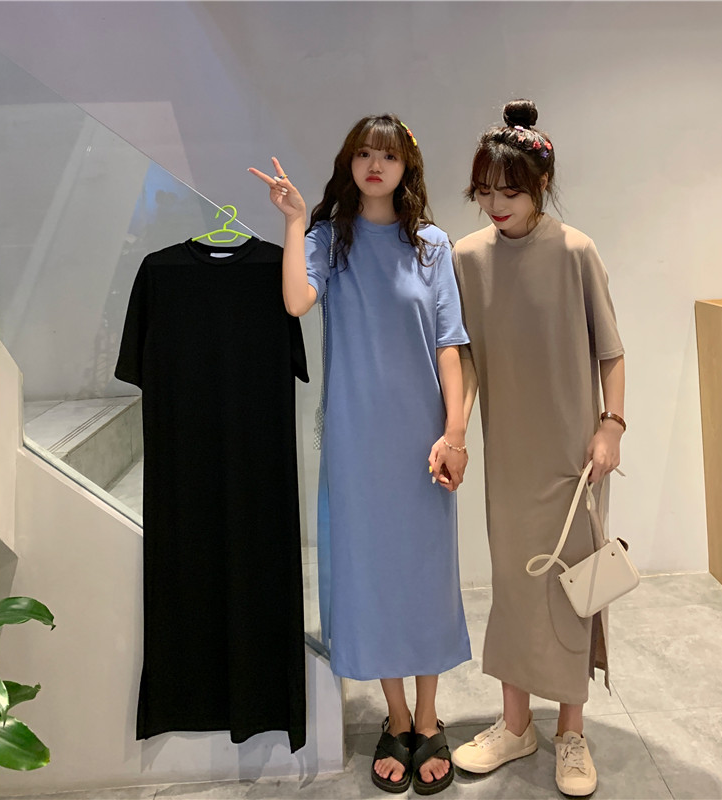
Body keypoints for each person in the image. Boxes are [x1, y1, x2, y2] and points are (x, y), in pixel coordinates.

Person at [249, 114, 471, 795]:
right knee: (371, 575)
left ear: (407, 167)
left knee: (425, 576)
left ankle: (429, 716)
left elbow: (451, 346)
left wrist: (455, 433)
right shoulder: (328, 240)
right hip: (356, 441)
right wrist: (294, 221)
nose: (376, 165)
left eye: (389, 156)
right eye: (365, 154)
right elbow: (295, 301)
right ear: (349, 163)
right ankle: (397, 718)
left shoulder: (432, 245)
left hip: (424, 442)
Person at [450, 99, 626, 797]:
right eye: (485, 191)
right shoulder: (467, 259)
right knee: (515, 589)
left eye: (511, 191)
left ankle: (571, 733)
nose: (496, 204)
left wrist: (612, 425)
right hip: (511, 459)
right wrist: (456, 430)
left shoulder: (576, 250)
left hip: (576, 458)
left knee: (573, 592)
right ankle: (516, 724)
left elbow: (611, 351)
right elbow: (464, 359)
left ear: (540, 186)